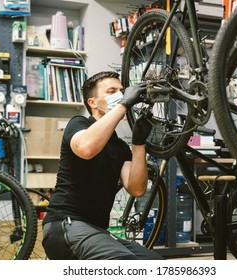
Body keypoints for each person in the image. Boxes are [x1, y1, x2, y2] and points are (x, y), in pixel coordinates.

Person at [42, 71, 164, 260]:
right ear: (92, 102)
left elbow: (137, 188)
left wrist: (139, 144)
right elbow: (86, 148)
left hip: (97, 231)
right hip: (66, 225)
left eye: (122, 91)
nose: (121, 95)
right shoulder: (79, 124)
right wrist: (123, 105)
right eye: (112, 91)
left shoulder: (119, 146)